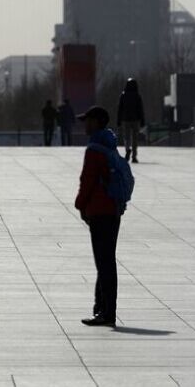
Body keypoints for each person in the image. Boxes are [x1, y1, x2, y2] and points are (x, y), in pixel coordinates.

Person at [75, 106, 120, 327]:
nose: (85, 124)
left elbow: (87, 180)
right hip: (113, 210)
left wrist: (79, 204)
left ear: (97, 122)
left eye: (88, 120)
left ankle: (107, 312)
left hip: (99, 211)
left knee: (104, 262)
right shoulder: (111, 145)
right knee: (106, 260)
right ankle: (101, 308)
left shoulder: (94, 149)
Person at [117, 78, 145, 163]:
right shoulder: (137, 96)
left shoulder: (123, 95)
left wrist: (118, 120)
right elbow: (140, 109)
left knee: (127, 137)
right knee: (135, 138)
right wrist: (142, 120)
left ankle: (127, 149)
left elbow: (120, 109)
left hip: (125, 119)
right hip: (135, 119)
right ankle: (134, 156)